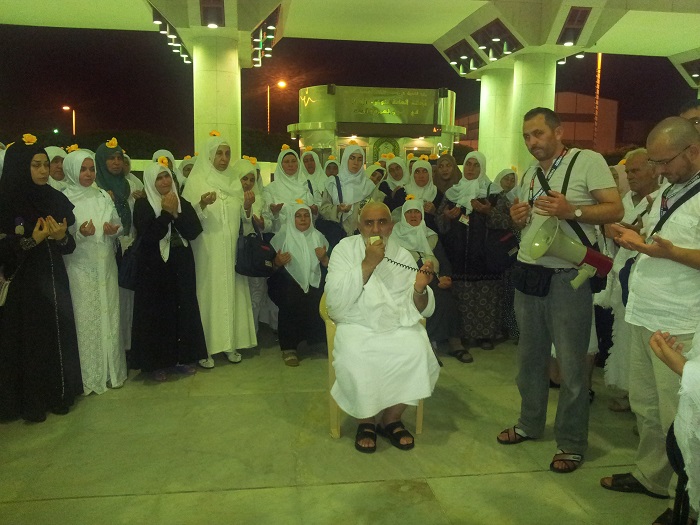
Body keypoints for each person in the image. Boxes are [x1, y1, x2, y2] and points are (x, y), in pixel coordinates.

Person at [499, 107, 622, 474]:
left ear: (558, 131)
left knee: (571, 366)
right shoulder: (529, 173)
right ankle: (529, 423)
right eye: (526, 136)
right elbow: (530, 224)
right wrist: (518, 218)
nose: (531, 142)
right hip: (529, 275)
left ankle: (571, 442)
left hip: (569, 277)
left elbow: (615, 209)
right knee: (529, 360)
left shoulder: (588, 161)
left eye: (538, 133)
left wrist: (574, 212)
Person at [602, 117, 700, 524]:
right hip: (645, 312)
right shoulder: (668, 190)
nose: (658, 171)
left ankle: (686, 501)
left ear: (693, 150)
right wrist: (634, 236)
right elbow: (657, 238)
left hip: (681, 321)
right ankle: (652, 476)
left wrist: (667, 253)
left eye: (664, 162)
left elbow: (675, 250)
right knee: (646, 405)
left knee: (680, 416)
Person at [325, 201, 440, 453]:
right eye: (369, 223)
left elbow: (418, 306)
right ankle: (365, 420)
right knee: (355, 356)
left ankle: (391, 418)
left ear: (391, 226)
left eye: (382, 222)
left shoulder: (402, 255)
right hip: (356, 322)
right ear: (359, 226)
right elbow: (334, 300)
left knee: (417, 350)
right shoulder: (344, 249)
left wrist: (420, 289)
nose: (376, 228)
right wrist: (368, 263)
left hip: (395, 323)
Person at [0, 135, 82, 422]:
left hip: (54, 280)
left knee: (55, 337)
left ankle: (58, 395)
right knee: (31, 341)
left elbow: (69, 246)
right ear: (21, 167)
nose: (44, 170)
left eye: (46, 164)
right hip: (24, 286)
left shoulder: (54, 198)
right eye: (36, 165)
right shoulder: (6, 202)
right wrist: (30, 241)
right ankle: (31, 403)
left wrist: (61, 238)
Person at [182, 132, 256, 368]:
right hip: (206, 252)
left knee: (230, 293)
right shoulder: (196, 181)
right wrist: (202, 204)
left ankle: (229, 344)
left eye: (227, 154)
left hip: (230, 251)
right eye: (219, 154)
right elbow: (186, 220)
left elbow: (243, 220)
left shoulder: (234, 181)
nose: (224, 159)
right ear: (209, 156)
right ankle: (204, 348)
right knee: (208, 295)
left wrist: (247, 207)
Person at [131, 159, 209, 380]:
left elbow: (194, 231)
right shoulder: (143, 205)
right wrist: (166, 213)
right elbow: (149, 236)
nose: (165, 181)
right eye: (159, 178)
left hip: (181, 263)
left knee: (183, 309)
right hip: (154, 267)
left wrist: (176, 213)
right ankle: (157, 364)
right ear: (150, 182)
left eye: (167, 176)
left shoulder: (181, 201)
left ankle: (181, 359)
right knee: (158, 314)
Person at [62, 149, 126, 394]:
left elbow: (118, 224)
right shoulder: (64, 198)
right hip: (80, 268)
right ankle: (90, 378)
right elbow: (62, 236)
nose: (88, 174)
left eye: (91, 169)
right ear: (72, 171)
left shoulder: (102, 196)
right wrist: (80, 233)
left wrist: (113, 230)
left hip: (106, 267)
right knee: (86, 321)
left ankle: (112, 372)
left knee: (109, 316)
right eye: (82, 169)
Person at [605, 149, 662, 411]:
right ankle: (628, 393)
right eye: (628, 171)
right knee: (624, 337)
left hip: (651, 282)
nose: (630, 176)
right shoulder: (623, 201)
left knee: (647, 343)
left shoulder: (662, 199)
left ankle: (645, 404)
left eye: (636, 170)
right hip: (622, 277)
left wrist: (637, 233)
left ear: (653, 169)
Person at [436, 151, 508, 351]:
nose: (471, 169)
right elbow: (439, 223)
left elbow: (507, 221)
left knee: (486, 297)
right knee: (462, 297)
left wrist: (488, 211)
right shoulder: (453, 193)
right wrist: (447, 217)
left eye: (476, 165)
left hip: (486, 256)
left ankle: (486, 335)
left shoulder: (494, 193)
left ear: (482, 168)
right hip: (458, 256)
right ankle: (464, 335)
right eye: (468, 164)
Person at [390, 198, 469, 363]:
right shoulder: (394, 237)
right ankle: (428, 346)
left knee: (447, 299)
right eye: (409, 212)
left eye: (417, 212)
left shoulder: (431, 236)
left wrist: (446, 277)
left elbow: (444, 261)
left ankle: (455, 343)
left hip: (433, 279)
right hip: (408, 282)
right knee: (427, 301)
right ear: (403, 215)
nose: (413, 215)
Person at [268, 202, 329, 366]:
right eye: (298, 216)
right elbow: (269, 267)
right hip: (287, 283)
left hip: (314, 282)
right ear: (291, 218)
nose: (303, 219)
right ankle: (289, 348)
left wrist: (324, 258)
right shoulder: (281, 237)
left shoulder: (319, 237)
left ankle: (317, 342)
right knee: (290, 299)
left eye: (306, 215)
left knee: (318, 298)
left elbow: (330, 265)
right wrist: (277, 262)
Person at [236, 157, 276, 334]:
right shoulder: (231, 197)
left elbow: (269, 223)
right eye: (244, 178)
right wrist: (246, 208)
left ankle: (252, 333)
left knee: (256, 293)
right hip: (238, 249)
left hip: (255, 251)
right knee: (239, 293)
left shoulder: (259, 199)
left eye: (252, 179)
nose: (248, 183)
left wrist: (263, 223)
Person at [319, 144, 378, 236]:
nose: (356, 163)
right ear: (345, 159)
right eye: (352, 158)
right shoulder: (332, 183)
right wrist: (338, 209)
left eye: (359, 159)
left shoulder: (369, 186)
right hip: (337, 234)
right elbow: (323, 210)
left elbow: (375, 211)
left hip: (361, 234)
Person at [262, 146, 319, 234]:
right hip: (281, 236)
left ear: (298, 163)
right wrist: (273, 212)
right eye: (286, 162)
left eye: (293, 161)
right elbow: (266, 220)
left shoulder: (308, 185)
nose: (290, 165)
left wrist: (315, 211)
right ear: (280, 165)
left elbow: (316, 212)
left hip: (307, 236)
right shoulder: (271, 189)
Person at [392, 159, 439, 231]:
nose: (421, 176)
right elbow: (395, 218)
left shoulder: (437, 194)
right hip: (405, 234)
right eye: (417, 172)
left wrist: (434, 212)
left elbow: (444, 224)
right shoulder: (401, 193)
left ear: (430, 173)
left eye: (425, 171)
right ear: (412, 174)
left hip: (430, 235)